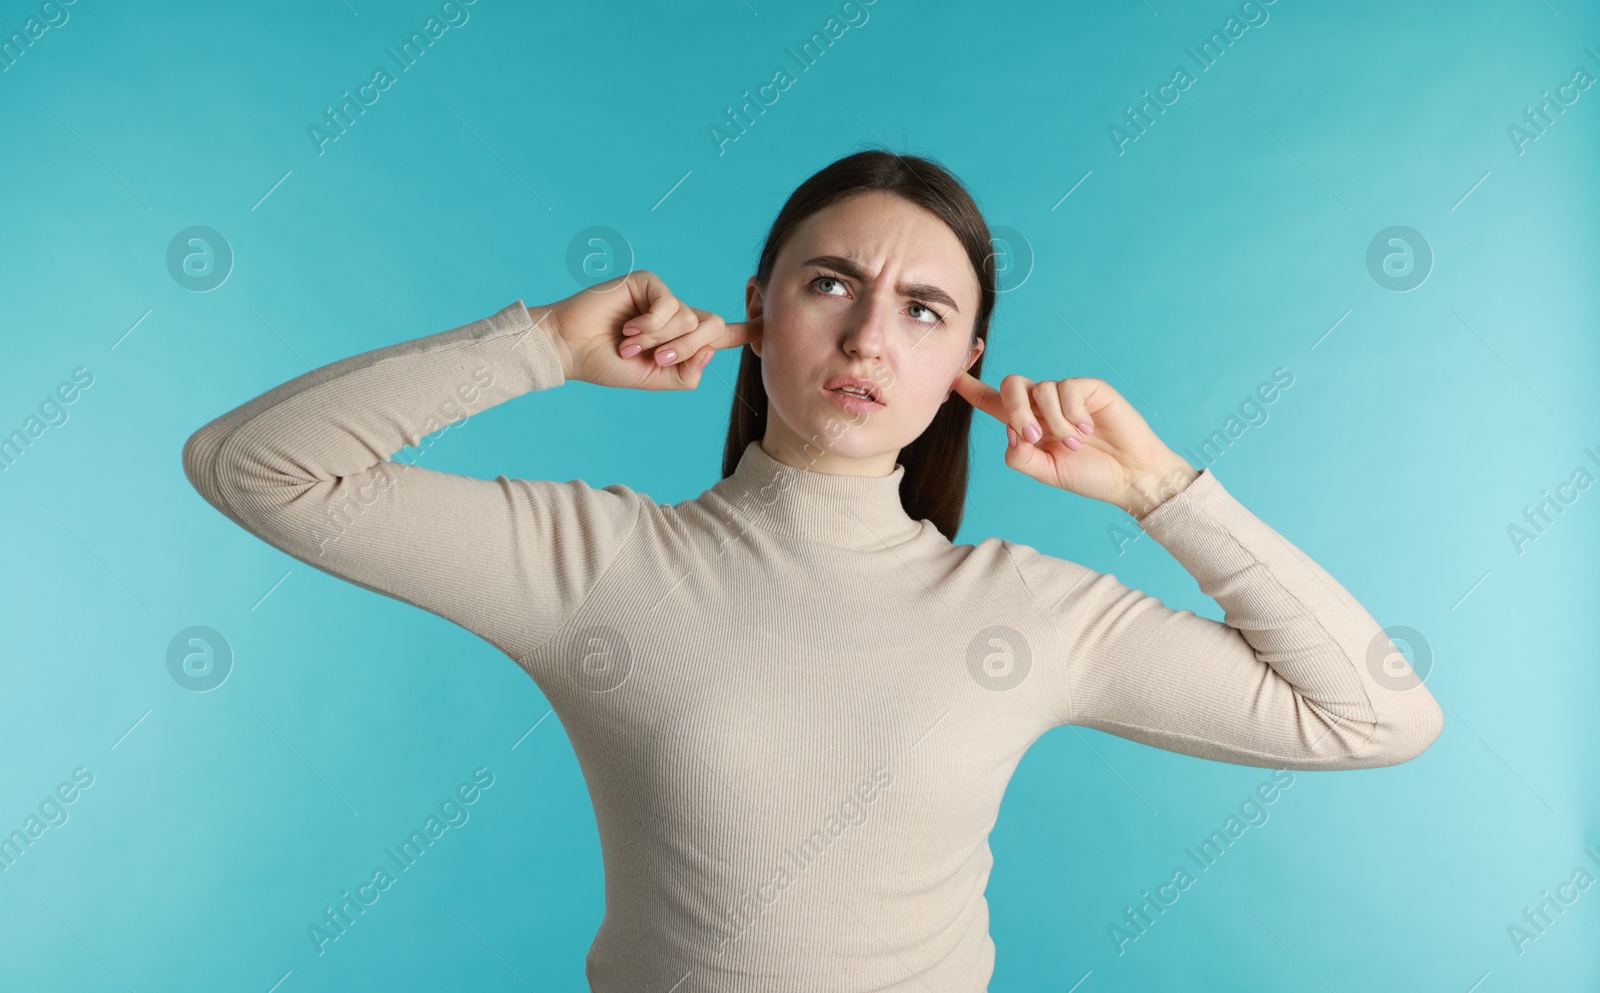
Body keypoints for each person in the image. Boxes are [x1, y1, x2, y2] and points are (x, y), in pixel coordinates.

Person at [182, 150, 1443, 990]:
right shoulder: (598, 563)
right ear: (758, 310)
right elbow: (253, 466)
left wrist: (1162, 488)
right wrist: (546, 346)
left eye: (922, 309)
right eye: (830, 283)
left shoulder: (1025, 609)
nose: (864, 334)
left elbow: (1376, 715)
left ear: (969, 362)